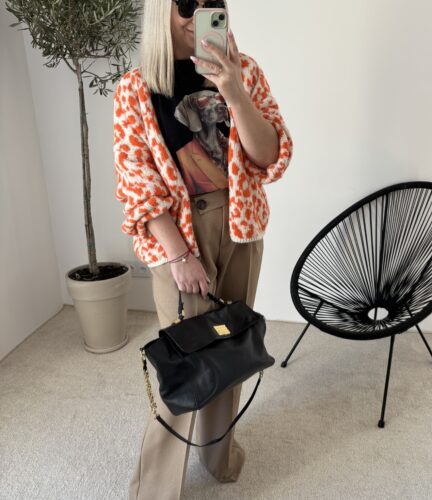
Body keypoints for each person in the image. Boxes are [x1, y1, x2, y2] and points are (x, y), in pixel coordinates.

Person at [113, 0, 293, 498]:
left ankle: (219, 457)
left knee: (230, 352)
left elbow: (270, 157)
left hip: (241, 225)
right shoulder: (135, 87)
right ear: (161, 11)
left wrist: (233, 90)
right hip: (179, 234)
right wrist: (178, 255)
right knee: (185, 363)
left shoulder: (244, 71)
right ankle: (155, 488)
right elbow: (136, 181)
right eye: (186, 4)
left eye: (211, 3)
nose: (199, 14)